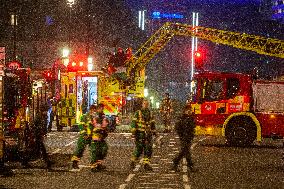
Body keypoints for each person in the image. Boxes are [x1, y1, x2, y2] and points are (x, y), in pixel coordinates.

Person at [22, 104, 52, 170]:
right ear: (42, 111)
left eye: (46, 110)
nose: (46, 112)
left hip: (39, 135)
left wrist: (44, 133)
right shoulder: (38, 117)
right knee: (40, 150)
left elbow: (44, 126)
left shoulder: (45, 116)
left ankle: (25, 161)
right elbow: (33, 126)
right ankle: (48, 163)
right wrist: (36, 133)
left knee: (35, 149)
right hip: (36, 135)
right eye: (45, 110)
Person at [130, 99, 156, 171]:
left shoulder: (150, 113)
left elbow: (152, 123)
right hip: (140, 134)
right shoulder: (138, 113)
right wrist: (133, 131)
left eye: (147, 104)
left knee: (148, 149)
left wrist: (154, 132)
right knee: (139, 149)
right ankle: (133, 161)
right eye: (144, 103)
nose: (146, 105)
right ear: (142, 104)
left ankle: (146, 164)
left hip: (148, 134)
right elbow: (133, 122)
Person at [71, 104, 97, 169]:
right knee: (80, 149)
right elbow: (81, 126)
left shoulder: (95, 118)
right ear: (91, 110)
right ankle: (74, 163)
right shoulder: (84, 117)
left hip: (92, 137)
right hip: (84, 137)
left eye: (95, 111)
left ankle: (95, 165)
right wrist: (84, 134)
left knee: (94, 150)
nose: (94, 112)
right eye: (93, 110)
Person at [171, 104, 196, 172]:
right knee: (186, 151)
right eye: (189, 110)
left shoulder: (191, 118)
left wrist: (191, 135)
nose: (190, 111)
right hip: (184, 138)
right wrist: (182, 135)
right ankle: (190, 166)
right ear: (185, 110)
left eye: (190, 110)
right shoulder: (182, 118)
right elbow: (177, 127)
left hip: (189, 137)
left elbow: (193, 127)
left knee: (184, 151)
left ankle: (175, 162)